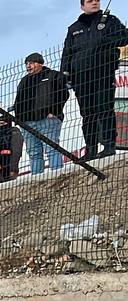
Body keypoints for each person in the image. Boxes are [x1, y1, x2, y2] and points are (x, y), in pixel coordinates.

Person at [62, 0, 128, 159]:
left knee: (104, 109)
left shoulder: (110, 21)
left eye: (97, 0)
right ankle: (91, 149)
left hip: (103, 72)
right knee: (87, 114)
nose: (95, 3)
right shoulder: (74, 28)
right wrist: (65, 73)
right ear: (82, 6)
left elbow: (124, 38)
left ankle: (108, 146)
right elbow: (67, 53)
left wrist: (104, 41)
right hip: (81, 77)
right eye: (90, 1)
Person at [12, 52, 70, 174]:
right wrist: (19, 118)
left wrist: (53, 112)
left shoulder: (53, 75)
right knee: (34, 152)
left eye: (31, 63)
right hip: (27, 122)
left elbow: (63, 94)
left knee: (52, 148)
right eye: (27, 63)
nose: (28, 66)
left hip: (47, 120)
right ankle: (36, 178)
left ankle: (57, 174)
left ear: (40, 63)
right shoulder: (24, 81)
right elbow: (18, 100)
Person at [0, 116, 24, 184]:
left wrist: (13, 169)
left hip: (9, 168)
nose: (1, 126)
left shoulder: (14, 133)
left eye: (3, 123)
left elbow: (16, 152)